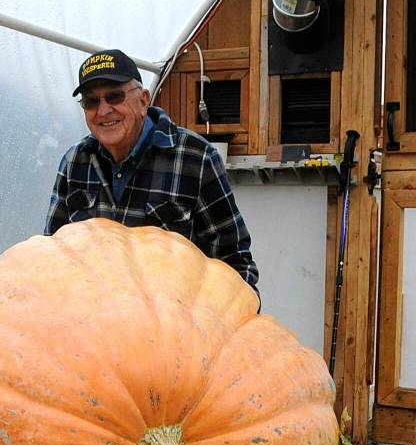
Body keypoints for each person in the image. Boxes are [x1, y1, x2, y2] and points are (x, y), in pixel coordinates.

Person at [45, 49, 259, 294]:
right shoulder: (75, 162)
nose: (103, 111)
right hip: (91, 318)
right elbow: (53, 255)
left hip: (172, 322)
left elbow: (233, 261)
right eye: (92, 101)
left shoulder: (196, 159)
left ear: (143, 101)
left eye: (114, 97)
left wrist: (233, 322)